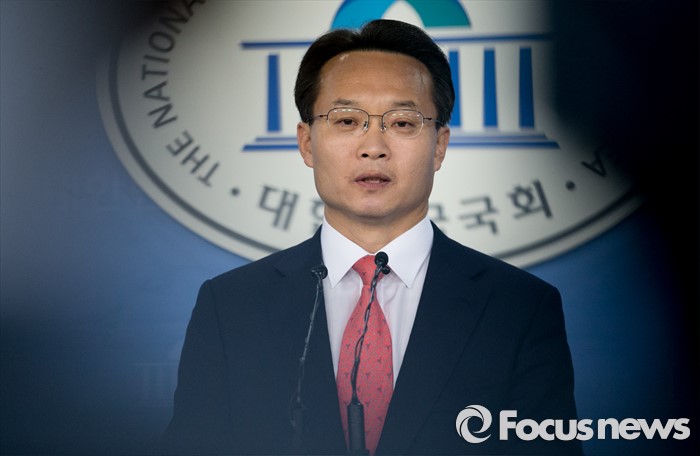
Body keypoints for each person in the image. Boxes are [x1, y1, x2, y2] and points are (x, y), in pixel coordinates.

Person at [161, 19, 582, 455]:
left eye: (402, 123)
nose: (373, 146)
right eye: (347, 120)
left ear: (439, 146)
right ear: (307, 143)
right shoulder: (231, 306)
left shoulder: (518, 308)